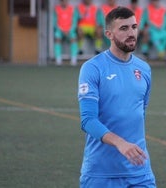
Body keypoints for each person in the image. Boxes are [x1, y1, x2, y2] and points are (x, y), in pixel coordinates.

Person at [78, 6, 156, 188]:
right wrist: (120, 143)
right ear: (109, 34)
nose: (131, 33)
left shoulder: (144, 69)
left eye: (134, 27)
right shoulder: (92, 68)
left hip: (140, 172)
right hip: (101, 173)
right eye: (124, 28)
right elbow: (88, 120)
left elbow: (140, 113)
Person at [53, 0, 78, 66]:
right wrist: (62, 30)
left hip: (70, 31)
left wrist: (69, 30)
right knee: (57, 38)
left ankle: (73, 60)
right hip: (60, 31)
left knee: (74, 38)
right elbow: (55, 23)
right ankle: (58, 60)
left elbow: (74, 22)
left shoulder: (72, 9)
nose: (64, 2)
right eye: (62, 1)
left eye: (65, 1)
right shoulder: (56, 9)